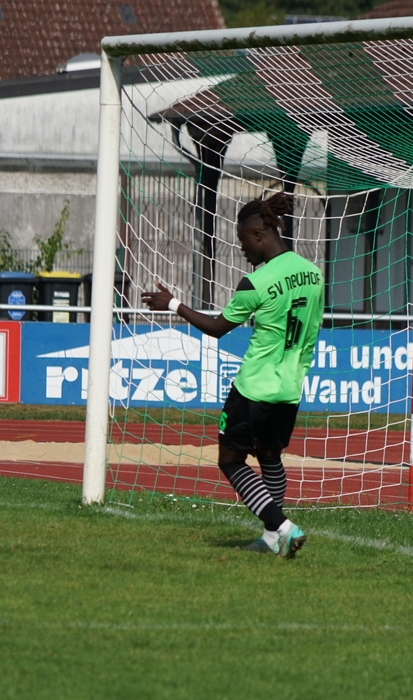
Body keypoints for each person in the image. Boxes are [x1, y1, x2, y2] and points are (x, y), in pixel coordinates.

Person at [141, 192, 323, 558]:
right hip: (289, 388)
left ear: (258, 234)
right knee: (270, 457)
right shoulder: (314, 274)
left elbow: (217, 328)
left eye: (243, 241)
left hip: (253, 388)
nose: (242, 250)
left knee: (230, 461)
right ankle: (272, 539)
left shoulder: (255, 283)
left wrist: (173, 303)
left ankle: (283, 527)